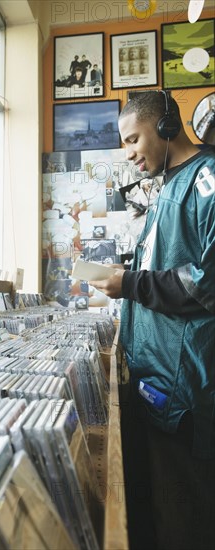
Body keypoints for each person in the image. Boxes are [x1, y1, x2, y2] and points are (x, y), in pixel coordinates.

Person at [90, 91, 215, 550]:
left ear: (164, 126)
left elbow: (207, 282)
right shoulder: (168, 188)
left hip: (186, 393)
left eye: (132, 139)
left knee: (189, 520)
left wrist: (129, 284)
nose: (129, 154)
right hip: (157, 384)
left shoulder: (208, 178)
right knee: (165, 516)